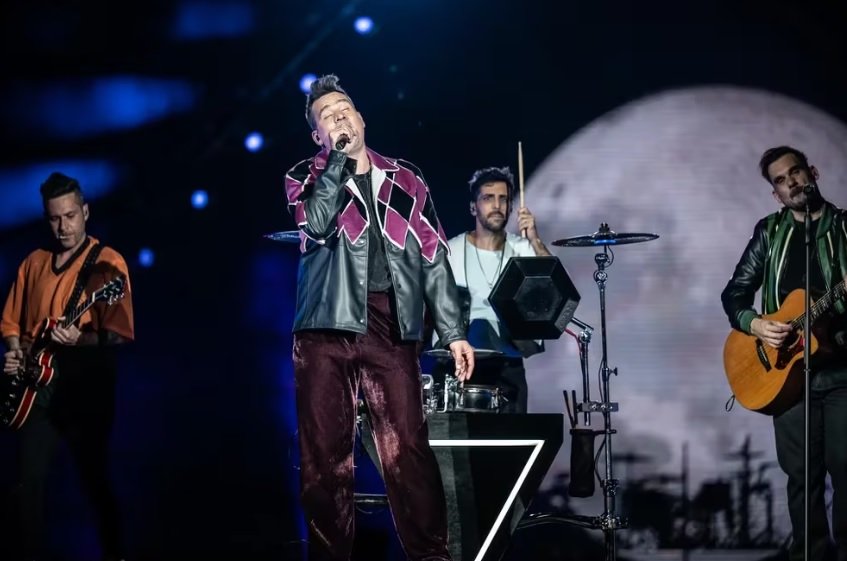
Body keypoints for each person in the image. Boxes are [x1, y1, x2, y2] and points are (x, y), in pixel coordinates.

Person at [283, 74, 475, 561]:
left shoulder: (406, 178)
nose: (339, 118)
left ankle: (432, 555)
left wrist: (453, 331)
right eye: (327, 117)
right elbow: (317, 223)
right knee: (324, 459)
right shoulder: (304, 176)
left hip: (390, 324)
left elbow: (434, 257)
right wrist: (335, 163)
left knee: (408, 449)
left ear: (362, 117)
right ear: (318, 135)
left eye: (344, 109)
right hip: (324, 327)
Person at [721, 146, 847, 560]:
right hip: (787, 379)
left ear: (813, 172)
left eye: (795, 172)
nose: (791, 182)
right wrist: (756, 324)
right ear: (775, 193)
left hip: (841, 372)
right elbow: (735, 293)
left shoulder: (843, 228)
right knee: (801, 478)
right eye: (780, 179)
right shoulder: (770, 232)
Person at [1, 172, 134, 561]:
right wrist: (14, 353)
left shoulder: (107, 263)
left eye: (70, 216)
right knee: (27, 485)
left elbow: (120, 335)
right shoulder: (34, 263)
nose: (63, 227)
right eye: (55, 218)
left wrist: (81, 340)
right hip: (36, 390)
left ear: (85, 212)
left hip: (84, 390)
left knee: (94, 480)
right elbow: (11, 324)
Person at [432, 166, 551, 413]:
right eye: (488, 198)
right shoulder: (451, 252)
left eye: (503, 199)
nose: (497, 205)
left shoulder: (523, 249)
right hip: (460, 364)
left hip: (508, 365)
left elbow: (553, 288)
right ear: (473, 207)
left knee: (513, 435)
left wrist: (535, 240)